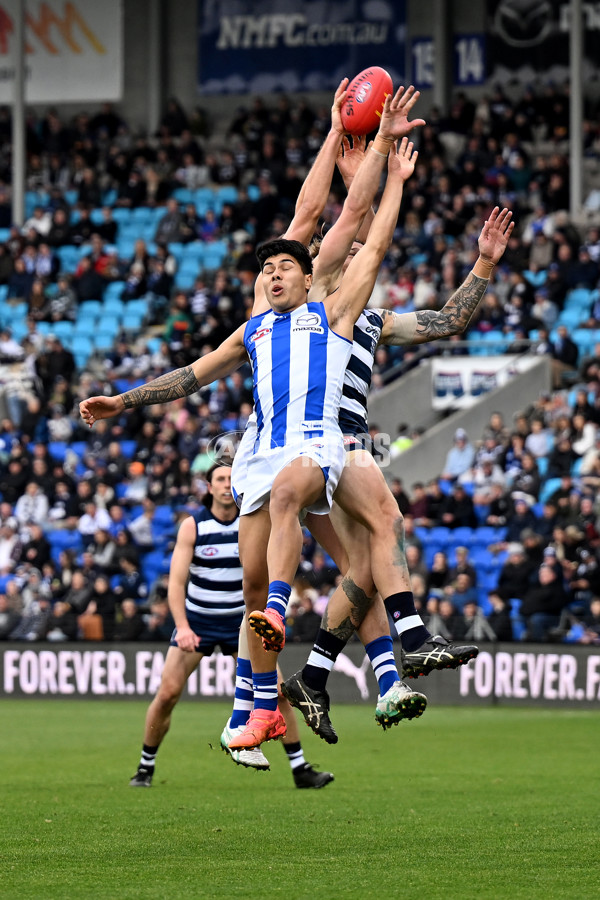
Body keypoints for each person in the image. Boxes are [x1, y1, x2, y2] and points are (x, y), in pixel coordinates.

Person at [129, 463, 332, 790]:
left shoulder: (252, 520)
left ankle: (300, 768)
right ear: (208, 487)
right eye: (219, 479)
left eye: (230, 479)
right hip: (198, 621)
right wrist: (181, 626)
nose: (226, 485)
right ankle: (145, 766)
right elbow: (177, 583)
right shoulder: (193, 526)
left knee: (277, 693)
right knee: (167, 694)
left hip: (243, 621)